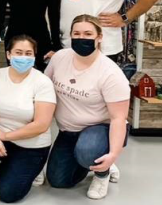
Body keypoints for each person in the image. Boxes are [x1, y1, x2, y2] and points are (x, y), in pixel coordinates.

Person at [45, 15, 130, 200]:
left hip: (99, 129)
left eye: (88, 33)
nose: (81, 38)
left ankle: (102, 171)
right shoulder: (59, 58)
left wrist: (114, 154)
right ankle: (92, 158)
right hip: (68, 130)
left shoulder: (111, 73)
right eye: (76, 33)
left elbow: (118, 118)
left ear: (99, 37)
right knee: (58, 181)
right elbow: (44, 89)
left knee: (88, 150)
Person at [0, 35, 56, 203]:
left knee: (7, 194)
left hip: (31, 145)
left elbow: (41, 125)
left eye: (28, 53)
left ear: (34, 56)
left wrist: (6, 136)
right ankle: (0, 171)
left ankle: (29, 171)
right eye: (18, 52)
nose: (23, 57)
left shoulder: (42, 82)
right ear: (8, 54)